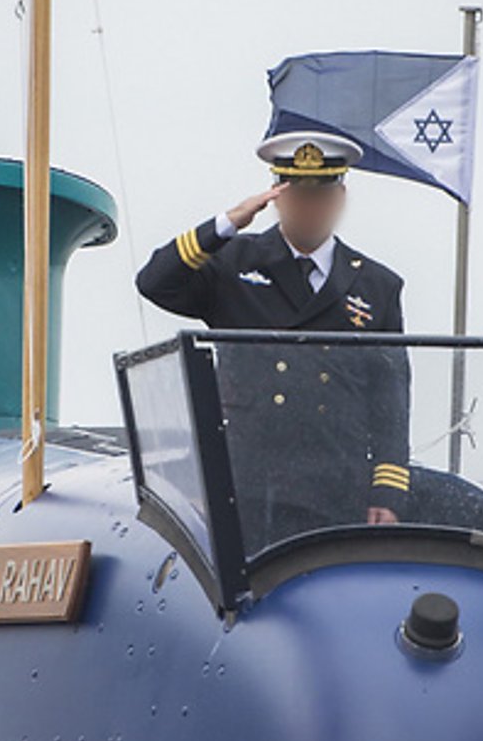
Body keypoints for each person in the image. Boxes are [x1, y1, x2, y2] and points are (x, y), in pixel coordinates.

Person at [135, 131, 409, 542]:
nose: (309, 207)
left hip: (334, 483)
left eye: (320, 196)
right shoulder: (234, 262)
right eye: (298, 195)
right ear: (277, 197)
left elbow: (390, 399)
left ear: (340, 198)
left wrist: (387, 491)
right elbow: (155, 282)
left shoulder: (376, 285)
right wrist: (227, 224)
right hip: (246, 483)